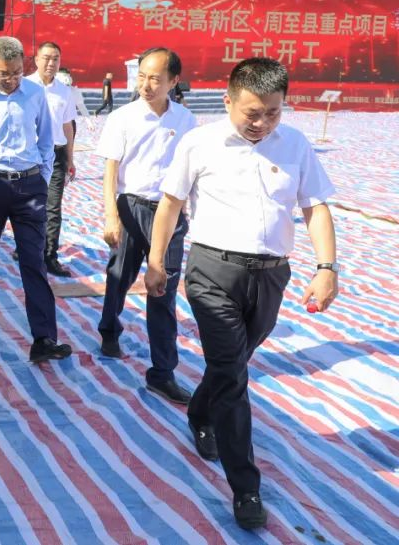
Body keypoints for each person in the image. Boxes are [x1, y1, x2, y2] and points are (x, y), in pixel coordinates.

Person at [145, 57, 338, 529]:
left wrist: (326, 267)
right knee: (233, 375)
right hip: (212, 272)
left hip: (271, 275)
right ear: (227, 100)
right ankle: (245, 487)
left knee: (231, 363)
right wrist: (155, 261)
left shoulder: (295, 145)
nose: (262, 122)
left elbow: (315, 207)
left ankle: (199, 412)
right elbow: (170, 205)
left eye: (273, 112)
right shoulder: (199, 142)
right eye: (252, 112)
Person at [0, 37, 73, 360]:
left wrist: (42, 180)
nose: (11, 80)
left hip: (29, 187)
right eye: (4, 74)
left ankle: (44, 338)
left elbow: (47, 140)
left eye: (17, 73)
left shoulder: (35, 94)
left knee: (33, 260)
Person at [96, 48, 196, 404]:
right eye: (141, 76)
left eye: (155, 78)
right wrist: (111, 215)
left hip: (169, 214)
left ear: (173, 81)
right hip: (131, 207)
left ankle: (162, 373)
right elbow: (111, 170)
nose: (146, 85)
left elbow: (191, 171)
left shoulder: (186, 120)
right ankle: (109, 329)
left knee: (162, 291)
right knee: (120, 275)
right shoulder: (122, 117)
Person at [25, 41, 78, 277]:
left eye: (55, 58)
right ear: (36, 59)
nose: (51, 63)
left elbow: (67, 126)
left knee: (53, 207)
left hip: (55, 155)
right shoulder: (24, 86)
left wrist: (70, 158)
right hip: (28, 154)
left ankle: (49, 256)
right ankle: (26, 247)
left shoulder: (64, 91)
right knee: (27, 206)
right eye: (46, 58)